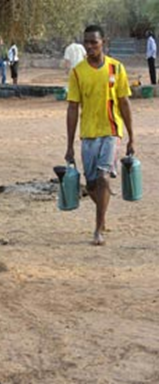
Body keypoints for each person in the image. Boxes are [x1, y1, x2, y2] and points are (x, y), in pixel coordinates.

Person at [65, 25, 135, 246]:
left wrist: (132, 137)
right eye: (86, 42)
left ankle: (97, 230)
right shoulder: (78, 72)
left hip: (112, 131)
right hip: (88, 134)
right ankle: (102, 212)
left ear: (103, 42)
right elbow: (73, 108)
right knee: (92, 183)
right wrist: (69, 145)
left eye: (94, 42)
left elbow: (124, 102)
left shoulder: (116, 68)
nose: (89, 46)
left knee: (104, 177)